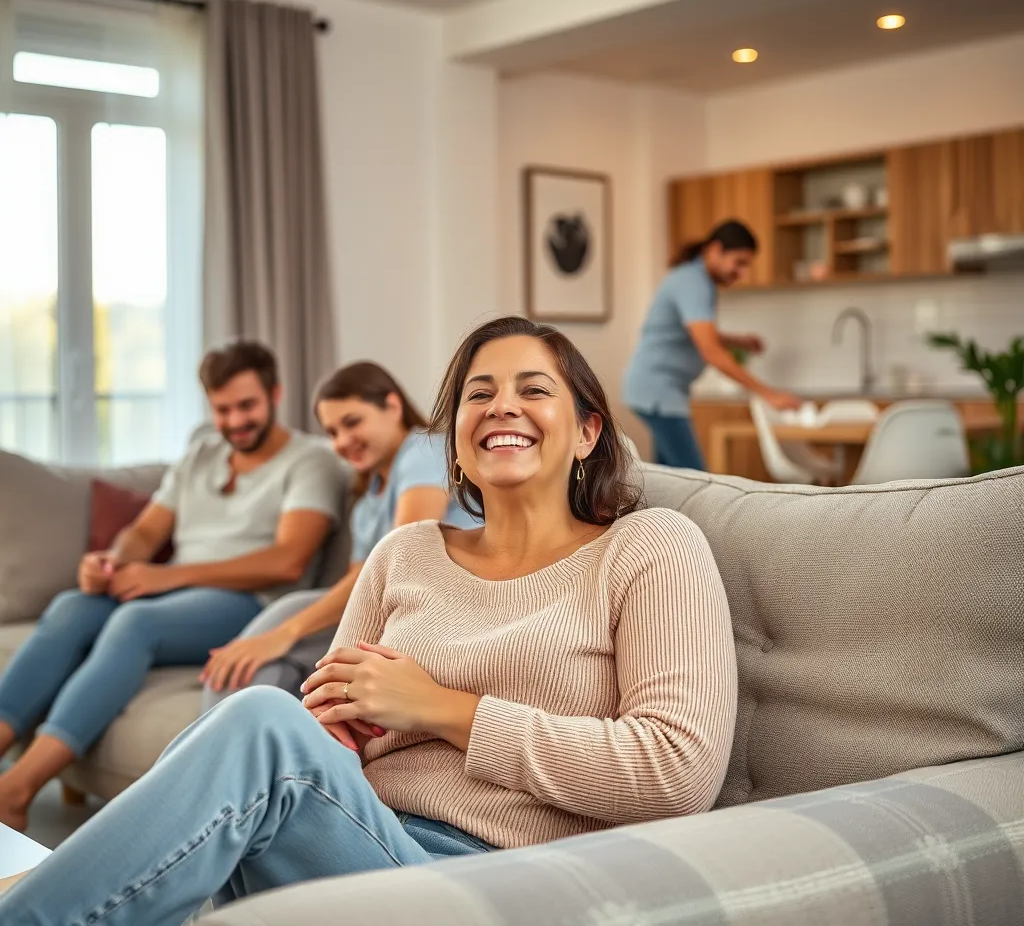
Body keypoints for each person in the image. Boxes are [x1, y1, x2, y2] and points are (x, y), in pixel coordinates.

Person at [0, 316, 738, 926]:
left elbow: (676, 770)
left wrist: (443, 710)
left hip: (504, 879)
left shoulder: (649, 547)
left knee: (260, 721)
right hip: (354, 839)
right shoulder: (405, 554)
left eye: (533, 390)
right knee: (261, 727)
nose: (501, 406)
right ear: (454, 443)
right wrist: (344, 730)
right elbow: (329, 730)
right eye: (478, 394)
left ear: (586, 432)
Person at [0, 341, 347, 832]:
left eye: (247, 406)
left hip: (249, 602)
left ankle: (16, 789)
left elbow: (288, 560)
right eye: (222, 409)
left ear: (275, 393)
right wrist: (112, 562)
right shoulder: (202, 453)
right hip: (177, 592)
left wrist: (168, 576)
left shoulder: (311, 461)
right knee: (73, 606)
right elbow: (146, 532)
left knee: (136, 622)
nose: (235, 421)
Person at [200, 361, 479, 705]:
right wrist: (276, 636)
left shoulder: (425, 450)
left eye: (352, 422)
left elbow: (402, 558)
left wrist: (285, 634)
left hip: (436, 604)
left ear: (392, 406)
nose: (343, 441)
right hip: (386, 608)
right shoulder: (365, 503)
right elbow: (359, 589)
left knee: (274, 645)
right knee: (252, 667)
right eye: (332, 432)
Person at [624, 219, 801, 468]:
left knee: (670, 478)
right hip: (659, 392)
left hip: (657, 390)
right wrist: (769, 394)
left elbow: (695, 334)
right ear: (716, 250)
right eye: (738, 263)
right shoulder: (693, 283)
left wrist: (738, 341)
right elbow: (710, 350)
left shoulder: (694, 278)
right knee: (695, 477)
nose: (741, 273)